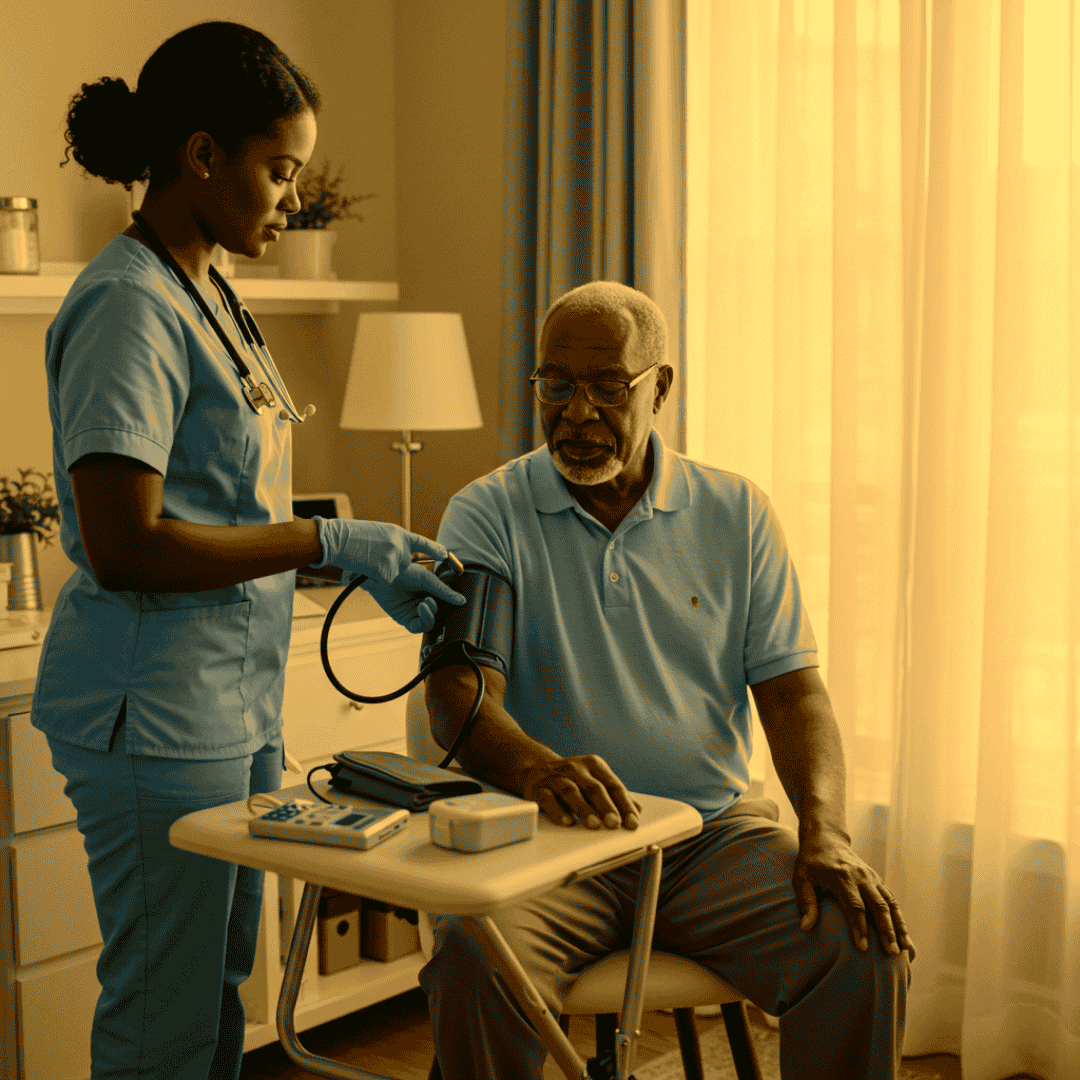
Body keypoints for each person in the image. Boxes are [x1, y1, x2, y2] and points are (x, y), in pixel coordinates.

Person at [36, 21, 464, 1080]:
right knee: (163, 1012)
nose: (288, 197)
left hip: (233, 702)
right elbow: (125, 542)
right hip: (154, 710)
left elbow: (229, 504)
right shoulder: (128, 306)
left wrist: (360, 558)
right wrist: (332, 538)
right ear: (201, 156)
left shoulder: (212, 290)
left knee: (226, 988)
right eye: (278, 171)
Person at [419, 280, 917, 1080]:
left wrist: (825, 830)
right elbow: (459, 697)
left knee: (859, 944)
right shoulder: (487, 514)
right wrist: (538, 769)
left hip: (706, 836)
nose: (576, 412)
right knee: (473, 957)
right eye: (556, 384)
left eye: (607, 386)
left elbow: (794, 693)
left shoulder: (736, 512)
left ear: (661, 387)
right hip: (546, 840)